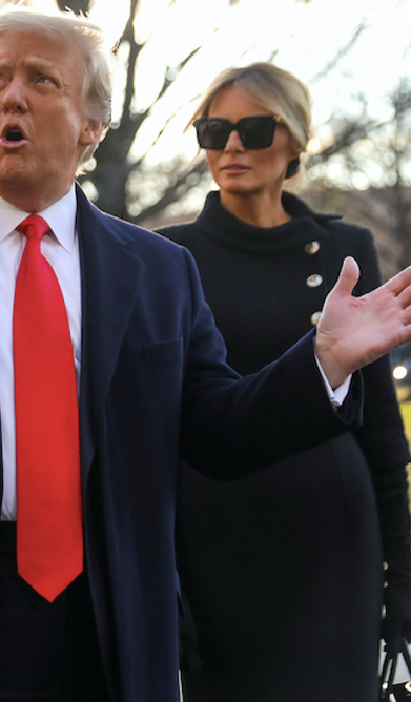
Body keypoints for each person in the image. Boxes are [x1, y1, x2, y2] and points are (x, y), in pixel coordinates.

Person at [0, 6, 411, 702]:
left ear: (90, 128)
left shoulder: (156, 270)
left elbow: (216, 428)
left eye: (42, 80)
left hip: (101, 623)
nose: (11, 95)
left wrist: (324, 363)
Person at [157, 62, 411, 702]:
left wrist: (402, 579)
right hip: (215, 541)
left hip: (333, 538)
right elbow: (156, 430)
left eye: (253, 127)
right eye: (214, 130)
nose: (232, 145)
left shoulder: (343, 248)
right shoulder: (164, 256)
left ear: (296, 139)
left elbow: (381, 427)